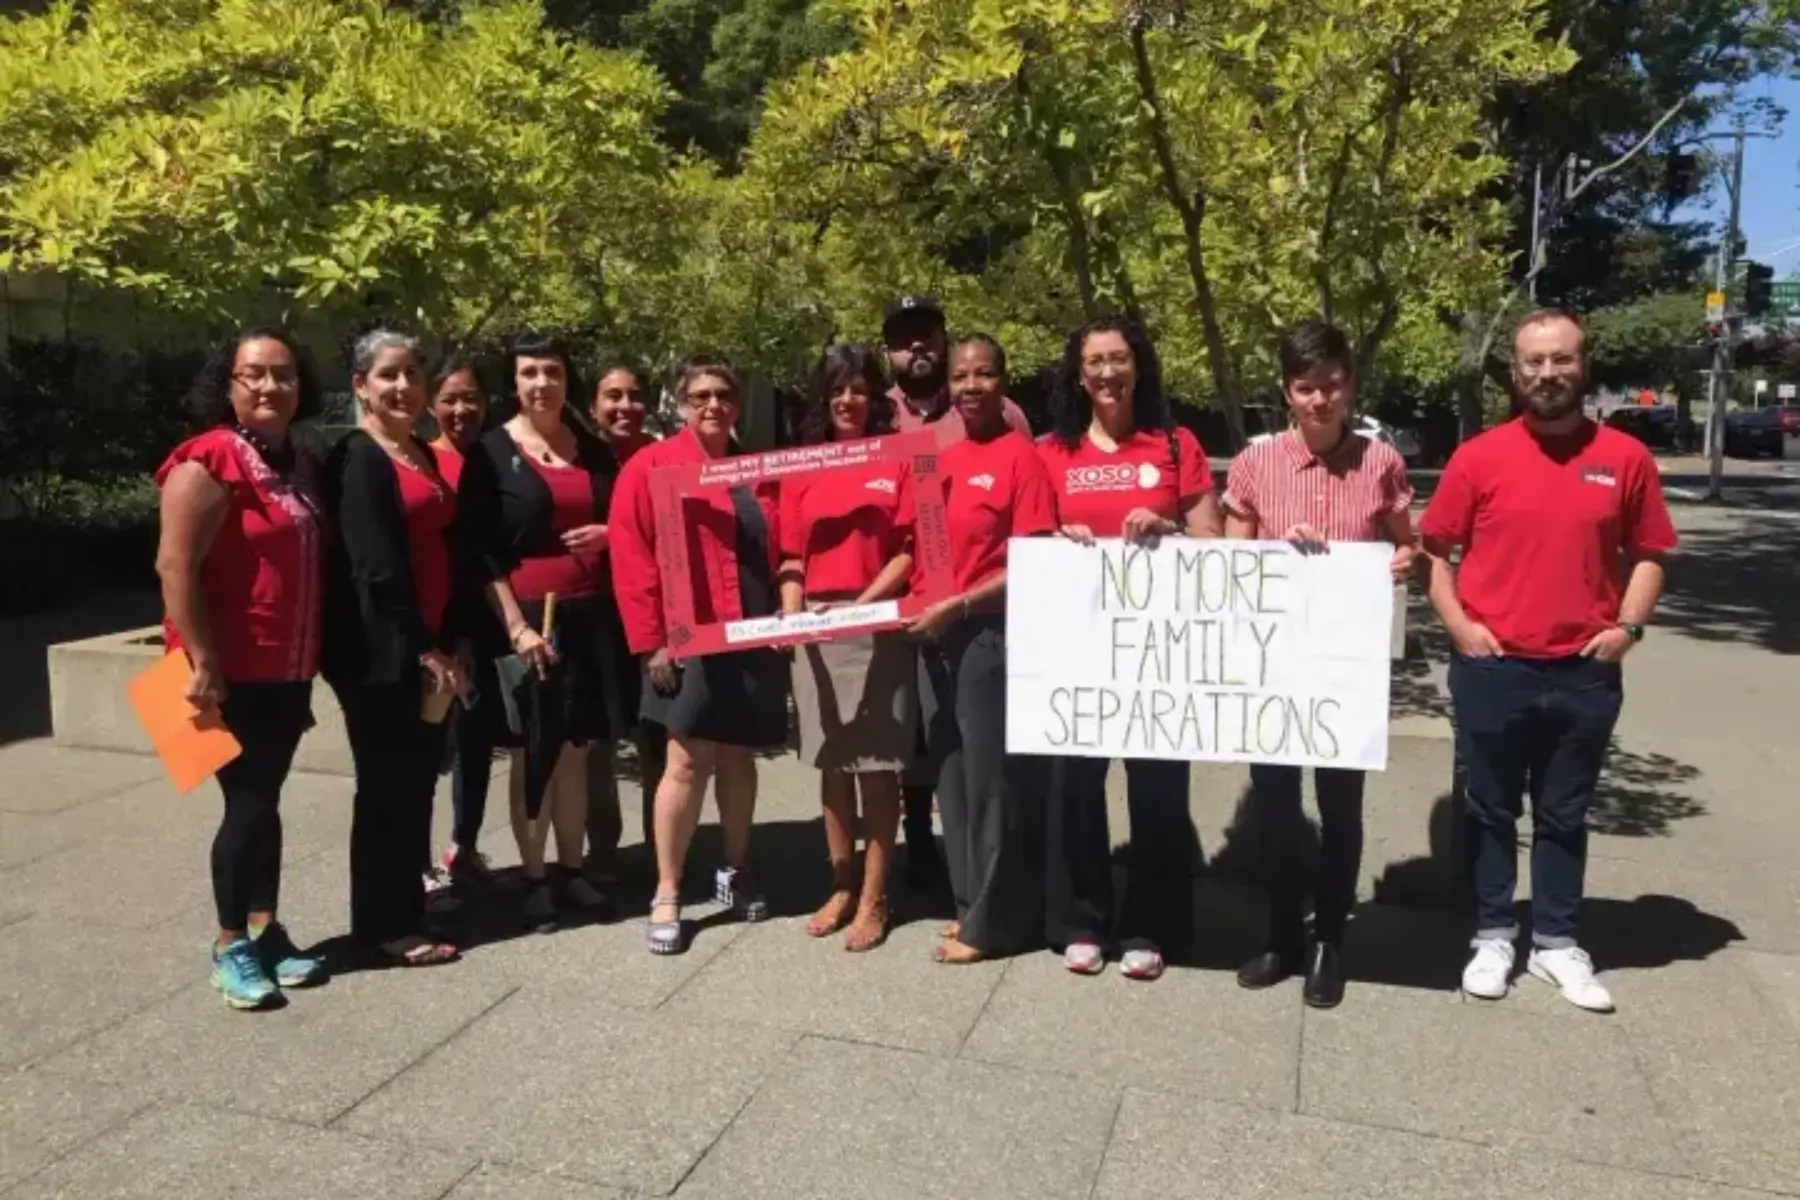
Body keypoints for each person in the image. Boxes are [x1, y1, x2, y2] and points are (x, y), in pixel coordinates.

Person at [1421, 308, 1675, 1013]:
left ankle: (1557, 941)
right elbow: (1433, 553)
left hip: (1584, 671)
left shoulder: (1625, 458)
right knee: (1490, 808)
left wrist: (1628, 627)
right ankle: (1496, 932)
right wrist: (1460, 626)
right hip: (1493, 666)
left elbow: (1650, 553)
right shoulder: (1480, 457)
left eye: (1561, 359)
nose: (1548, 373)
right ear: (1515, 370)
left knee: (1565, 812)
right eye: (1534, 361)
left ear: (1582, 365)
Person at [1223, 318, 1416, 1009]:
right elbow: (1231, 565)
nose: (1320, 400)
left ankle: (1330, 939)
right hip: (1276, 670)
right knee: (1276, 808)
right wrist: (1276, 559)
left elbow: (1407, 546)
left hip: (1347, 671)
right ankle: (1281, 935)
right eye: (1306, 388)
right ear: (1287, 393)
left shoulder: (1381, 461)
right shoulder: (1254, 464)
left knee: (1341, 808)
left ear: (1349, 384)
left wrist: (1399, 562)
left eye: (1331, 385)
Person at [1036, 318, 1220, 982]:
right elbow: (1028, 538)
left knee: (1159, 787)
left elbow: (1214, 544)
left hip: (1159, 651)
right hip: (1078, 649)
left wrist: (1170, 527)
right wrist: (1058, 538)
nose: (1107, 373)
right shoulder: (1050, 452)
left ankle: (1152, 925)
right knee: (1076, 786)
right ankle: (1083, 919)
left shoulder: (1175, 444)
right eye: (1094, 362)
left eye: (1118, 359)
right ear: (1078, 374)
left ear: (1137, 367)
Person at [154, 328, 330, 1009]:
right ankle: (230, 944)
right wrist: (200, 659)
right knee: (247, 804)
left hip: (286, 666)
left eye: (283, 375)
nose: (269, 388)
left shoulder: (296, 462)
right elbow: (174, 565)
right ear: (226, 384)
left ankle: (266, 930)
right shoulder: (209, 458)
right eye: (252, 375)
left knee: (265, 802)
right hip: (223, 673)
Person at [611, 356, 789, 955]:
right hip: (685, 642)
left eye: (723, 395)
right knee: (684, 763)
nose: (712, 405)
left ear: (736, 405)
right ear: (682, 404)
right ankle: (668, 889)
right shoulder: (650, 466)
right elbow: (632, 559)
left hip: (751, 634)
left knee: (740, 759)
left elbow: (779, 545)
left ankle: (736, 869)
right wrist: (652, 641)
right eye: (700, 396)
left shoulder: (757, 469)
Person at [457, 334, 628, 930]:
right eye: (529, 373)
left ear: (566, 378)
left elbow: (624, 517)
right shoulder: (490, 452)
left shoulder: (592, 449)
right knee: (535, 750)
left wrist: (609, 532)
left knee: (578, 749)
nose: (541, 383)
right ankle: (532, 877)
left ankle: (571, 869)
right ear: (515, 382)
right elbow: (479, 549)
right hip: (530, 621)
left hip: (591, 617)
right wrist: (514, 627)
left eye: (551, 372)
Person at [910, 334, 1059, 965]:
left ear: (1004, 381)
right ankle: (971, 905)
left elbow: (1033, 557)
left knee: (991, 780)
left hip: (985, 633)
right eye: (962, 376)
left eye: (985, 374)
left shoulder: (1020, 457)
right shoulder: (934, 458)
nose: (972, 386)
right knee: (951, 777)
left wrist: (960, 606)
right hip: (934, 635)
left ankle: (995, 922)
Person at [321, 329, 462, 968]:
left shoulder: (416, 453)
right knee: (386, 787)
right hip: (383, 656)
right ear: (360, 387)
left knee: (415, 783)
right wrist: (424, 648)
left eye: (411, 373)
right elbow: (374, 568)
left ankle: (405, 903)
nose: (402, 386)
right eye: (387, 376)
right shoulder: (360, 458)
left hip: (429, 650)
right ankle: (382, 925)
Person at [881, 294, 1030, 890]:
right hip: (902, 600)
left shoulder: (1003, 419)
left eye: (927, 335)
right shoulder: (878, 416)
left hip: (974, 614)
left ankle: (983, 880)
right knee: (919, 742)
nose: (916, 346)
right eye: (903, 336)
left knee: (976, 752)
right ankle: (926, 857)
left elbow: (1022, 502)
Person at [778, 344, 917, 952]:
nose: (847, 399)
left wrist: (862, 606)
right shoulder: (802, 465)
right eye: (836, 389)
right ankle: (841, 883)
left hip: (877, 621)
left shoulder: (899, 458)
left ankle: (875, 897)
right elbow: (789, 558)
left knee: (878, 772)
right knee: (833, 766)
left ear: (874, 397)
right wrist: (790, 624)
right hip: (813, 626)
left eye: (858, 388)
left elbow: (911, 547)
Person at [584, 359, 665, 883]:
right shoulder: (580, 459)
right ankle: (603, 849)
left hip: (654, 612)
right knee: (598, 738)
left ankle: (663, 849)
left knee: (655, 733)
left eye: (634, 395)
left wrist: (617, 534)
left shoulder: (663, 458)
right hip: (595, 613)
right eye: (612, 396)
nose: (624, 406)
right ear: (594, 405)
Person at [425, 355, 499, 898]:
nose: (461, 409)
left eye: (470, 398)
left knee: (477, 746)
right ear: (432, 404)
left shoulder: (494, 460)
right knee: (431, 750)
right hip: (439, 630)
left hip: (490, 626)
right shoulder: (423, 462)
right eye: (449, 398)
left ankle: (464, 846)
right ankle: (419, 862)